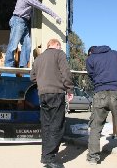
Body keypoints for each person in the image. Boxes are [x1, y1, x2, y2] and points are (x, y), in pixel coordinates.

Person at [86, 45, 117, 165]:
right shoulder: (116, 54)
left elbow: (92, 77)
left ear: (91, 52)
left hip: (100, 94)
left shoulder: (90, 59)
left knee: (95, 127)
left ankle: (93, 158)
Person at [30, 39, 74, 168]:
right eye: (60, 46)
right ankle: (50, 158)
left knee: (46, 125)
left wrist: (43, 82)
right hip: (56, 93)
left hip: (43, 95)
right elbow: (66, 72)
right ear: (56, 45)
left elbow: (32, 77)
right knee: (57, 125)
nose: (60, 49)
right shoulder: (59, 54)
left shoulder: (38, 59)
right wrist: (70, 89)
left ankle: (45, 156)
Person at [5, 0, 62, 68]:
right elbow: (41, 6)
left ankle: (23, 66)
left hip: (22, 22)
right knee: (13, 44)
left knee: (27, 44)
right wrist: (55, 16)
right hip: (18, 21)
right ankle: (8, 65)